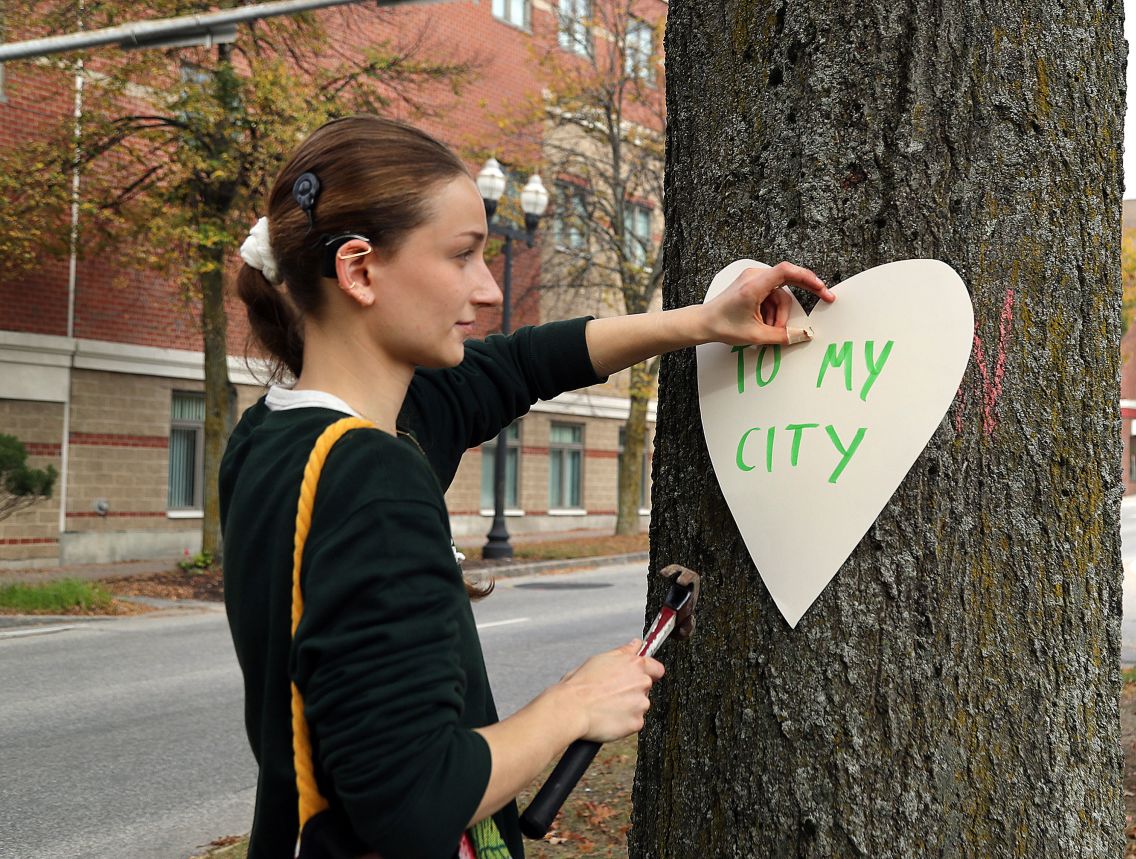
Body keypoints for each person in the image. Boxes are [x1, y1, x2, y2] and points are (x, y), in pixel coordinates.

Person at [221, 114, 834, 859]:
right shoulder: (369, 478)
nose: (486, 290)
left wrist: (703, 321)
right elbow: (414, 801)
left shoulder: (278, 436)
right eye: (462, 256)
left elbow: (525, 363)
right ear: (359, 270)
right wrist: (573, 705)